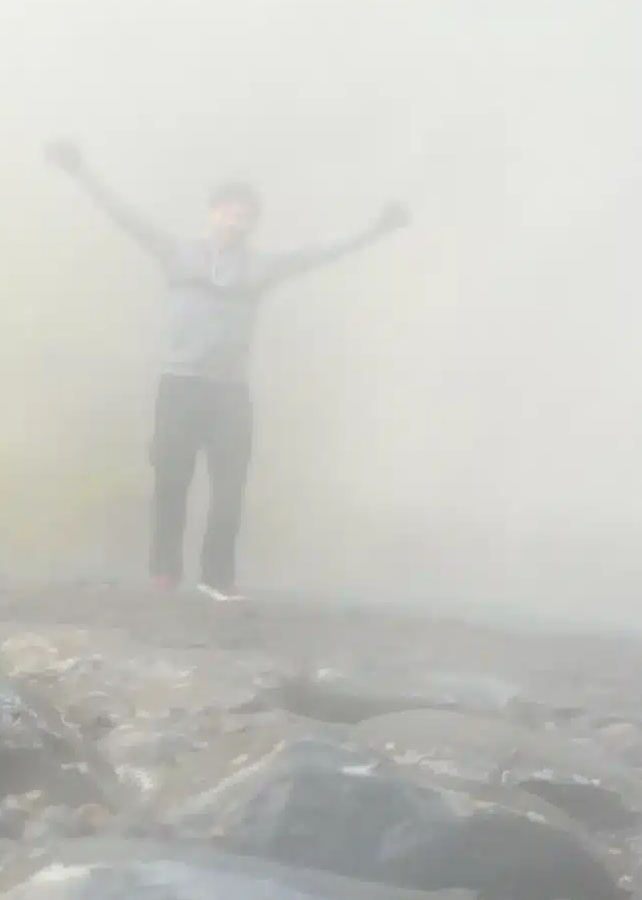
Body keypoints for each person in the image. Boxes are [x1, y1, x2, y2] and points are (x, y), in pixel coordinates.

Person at [47, 139, 409, 599]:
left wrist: (376, 230)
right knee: (171, 479)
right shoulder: (178, 253)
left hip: (229, 392)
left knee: (230, 486)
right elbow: (125, 216)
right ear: (212, 212)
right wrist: (82, 172)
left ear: (250, 223)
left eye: (243, 215)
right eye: (227, 210)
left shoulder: (261, 267)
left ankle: (216, 577)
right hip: (179, 384)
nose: (234, 219)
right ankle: (164, 572)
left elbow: (318, 254)